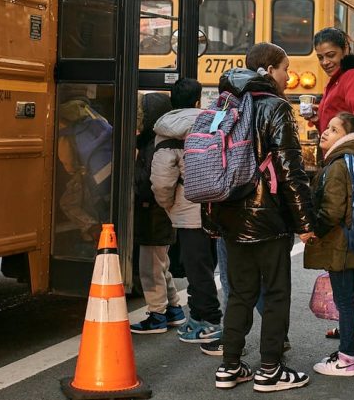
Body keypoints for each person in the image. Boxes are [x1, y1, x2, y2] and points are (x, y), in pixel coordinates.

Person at [207, 42, 316, 393]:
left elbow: (208, 165)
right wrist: (305, 223)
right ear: (269, 71)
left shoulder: (224, 105)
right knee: (276, 293)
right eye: (285, 68)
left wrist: (212, 222)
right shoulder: (276, 108)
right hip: (268, 220)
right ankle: (270, 369)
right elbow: (289, 170)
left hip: (230, 217)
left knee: (239, 293)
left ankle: (230, 366)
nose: (288, 75)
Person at [151, 78, 223, 343]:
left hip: (187, 208)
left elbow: (161, 178)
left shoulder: (166, 130)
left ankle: (209, 321)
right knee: (210, 265)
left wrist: (167, 204)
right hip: (216, 205)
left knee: (197, 269)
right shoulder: (212, 124)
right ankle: (204, 316)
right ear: (197, 100)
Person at [304, 112, 354, 377]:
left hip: (340, 243)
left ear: (347, 137)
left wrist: (312, 230)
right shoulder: (352, 160)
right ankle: (350, 350)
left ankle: (347, 358)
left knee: (345, 300)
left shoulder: (339, 164)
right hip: (351, 242)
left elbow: (332, 210)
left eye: (333, 129)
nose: (325, 132)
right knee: (349, 296)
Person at [130, 93, 186, 334]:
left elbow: (148, 183)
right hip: (161, 213)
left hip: (153, 212)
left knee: (150, 267)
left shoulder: (151, 144)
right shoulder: (161, 139)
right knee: (161, 264)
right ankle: (173, 308)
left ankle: (157, 315)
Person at [306, 27, 354, 132]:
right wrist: (319, 119)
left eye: (331, 55)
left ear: (345, 49)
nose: (325, 62)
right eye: (320, 58)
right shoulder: (339, 79)